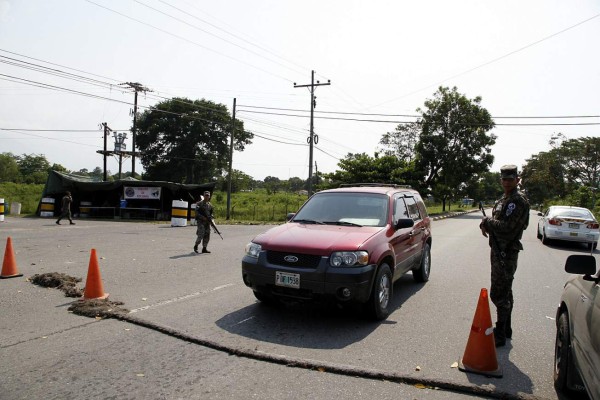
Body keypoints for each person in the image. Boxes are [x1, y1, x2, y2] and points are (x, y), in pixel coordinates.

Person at [479, 165, 529, 347]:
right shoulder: (504, 199)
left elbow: (507, 229)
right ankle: (506, 329)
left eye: (510, 179)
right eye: (504, 179)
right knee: (505, 291)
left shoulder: (518, 201)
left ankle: (500, 334)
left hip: (506, 252)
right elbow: (498, 223)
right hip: (498, 249)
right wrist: (487, 224)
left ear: (517, 179)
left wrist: (487, 222)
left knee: (499, 294)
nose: (506, 182)